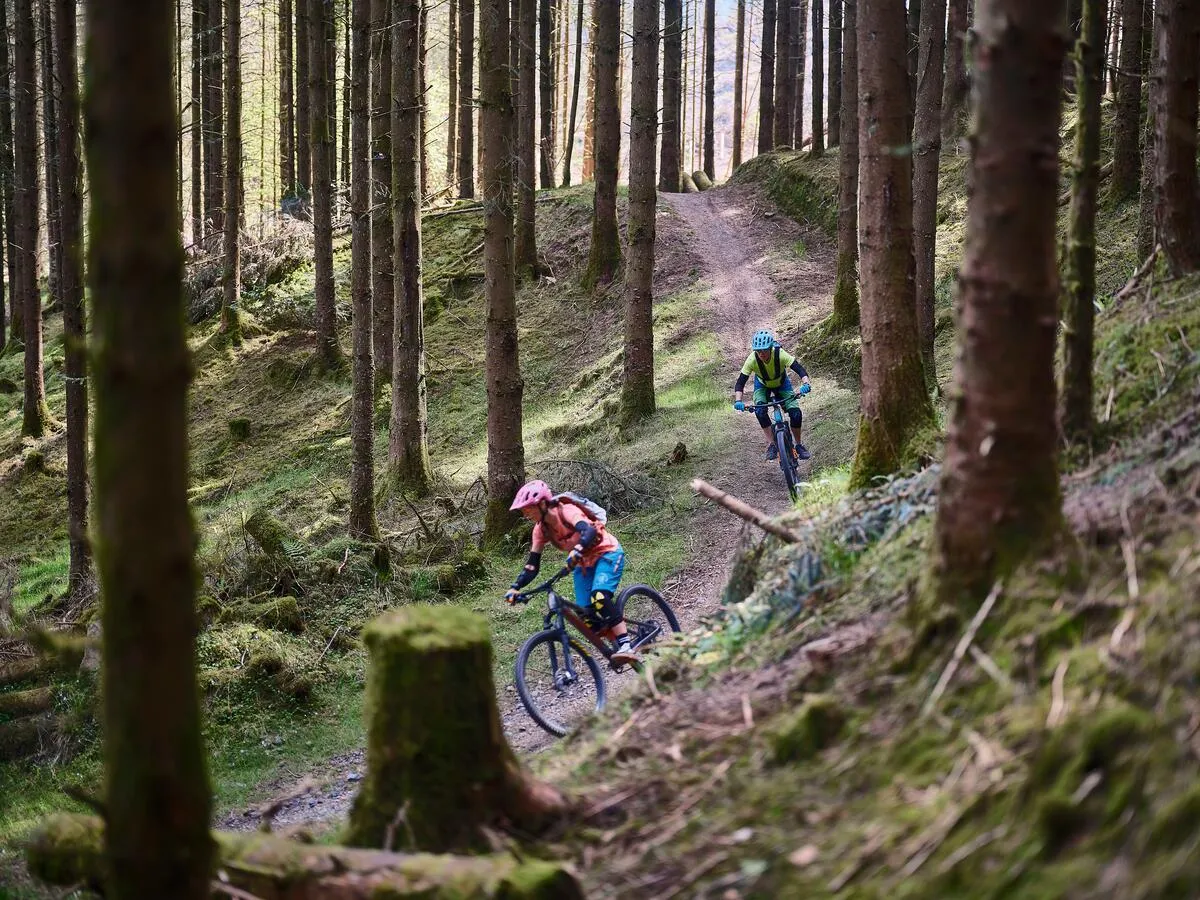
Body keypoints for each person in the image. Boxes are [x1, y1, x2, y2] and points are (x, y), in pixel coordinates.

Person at [504, 480, 639, 666]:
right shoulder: (540, 530)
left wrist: (576, 551)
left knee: (599, 597)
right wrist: (515, 587)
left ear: (543, 503)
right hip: (583, 564)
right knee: (585, 615)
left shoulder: (566, 510)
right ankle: (615, 643)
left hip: (607, 553)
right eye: (523, 510)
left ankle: (626, 645)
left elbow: (588, 531)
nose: (525, 513)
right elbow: (532, 565)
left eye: (528, 508)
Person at [732, 329, 812, 462]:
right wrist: (738, 400)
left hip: (782, 384)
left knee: (796, 413)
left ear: (770, 348)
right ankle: (771, 444)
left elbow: (799, 369)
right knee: (760, 410)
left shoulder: (780, 354)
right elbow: (740, 382)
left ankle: (798, 445)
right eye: (758, 351)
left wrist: (806, 384)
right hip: (762, 386)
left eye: (764, 350)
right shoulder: (752, 359)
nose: (761, 353)